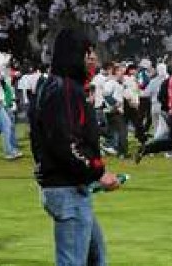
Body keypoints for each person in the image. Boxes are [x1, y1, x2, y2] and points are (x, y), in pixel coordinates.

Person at [30, 29, 121, 266]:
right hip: (67, 188)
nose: (93, 59)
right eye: (87, 53)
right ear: (74, 55)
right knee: (73, 261)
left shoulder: (53, 86)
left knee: (96, 256)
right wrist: (97, 173)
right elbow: (67, 143)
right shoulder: (65, 90)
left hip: (65, 185)